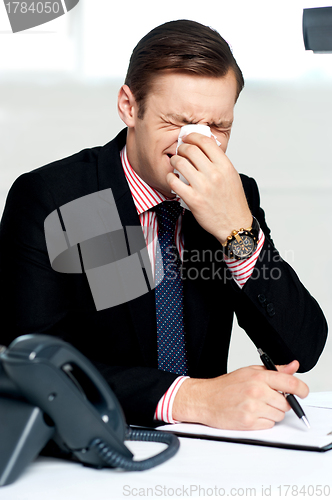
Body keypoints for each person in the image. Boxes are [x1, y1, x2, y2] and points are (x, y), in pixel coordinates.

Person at [0, 20, 327, 431]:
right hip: (95, 444)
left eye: (219, 128)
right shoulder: (59, 199)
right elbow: (29, 361)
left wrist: (236, 230)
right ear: (129, 106)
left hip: (208, 451)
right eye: (177, 122)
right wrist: (193, 398)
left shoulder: (232, 196)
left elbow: (301, 347)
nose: (197, 144)